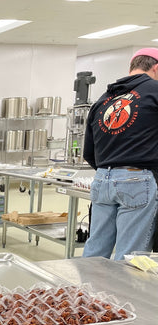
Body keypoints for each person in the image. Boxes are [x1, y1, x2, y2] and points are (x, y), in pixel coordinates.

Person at [82, 47, 158, 261]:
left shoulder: (104, 99)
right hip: (136, 179)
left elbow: (89, 151)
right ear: (156, 68)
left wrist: (111, 172)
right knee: (130, 256)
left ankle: (84, 294)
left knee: (95, 249)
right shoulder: (155, 91)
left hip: (101, 180)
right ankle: (124, 296)